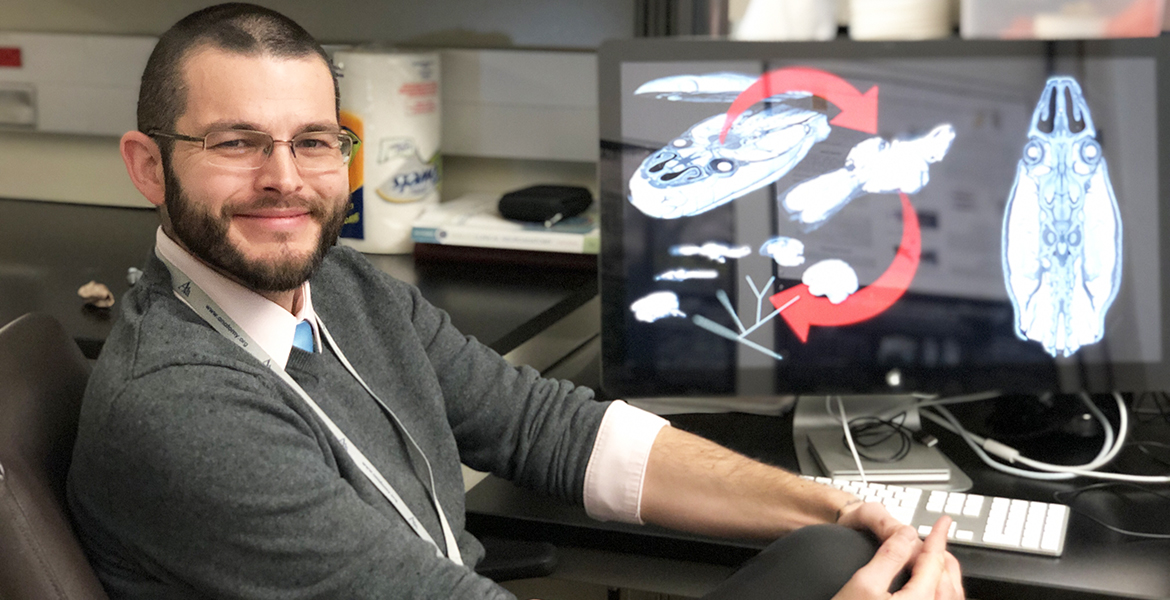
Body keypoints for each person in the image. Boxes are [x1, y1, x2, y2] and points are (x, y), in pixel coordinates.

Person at [65, 4, 965, 600]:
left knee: (847, 556)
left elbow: (549, 428)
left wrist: (831, 505)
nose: (285, 180)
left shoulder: (340, 287)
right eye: (237, 143)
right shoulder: (182, 405)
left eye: (314, 142)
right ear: (150, 165)